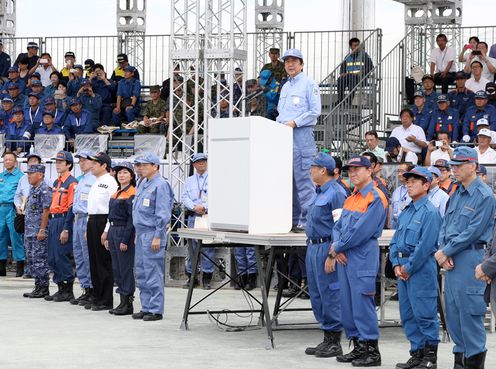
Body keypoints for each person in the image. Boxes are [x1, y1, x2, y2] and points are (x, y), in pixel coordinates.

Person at [436, 146, 494, 369]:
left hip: (471, 260)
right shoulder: (456, 192)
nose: (455, 169)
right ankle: (459, 363)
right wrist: (444, 251)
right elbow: (445, 225)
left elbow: (473, 230)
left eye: (459, 165)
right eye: (453, 165)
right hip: (452, 261)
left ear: (473, 166)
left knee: (470, 317)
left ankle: (473, 363)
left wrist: (446, 251)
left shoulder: (484, 196)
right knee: (453, 316)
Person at [328, 156, 387, 367]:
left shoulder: (375, 197)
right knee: (348, 304)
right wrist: (337, 246)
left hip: (361, 256)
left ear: (369, 170)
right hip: (345, 256)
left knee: (362, 303)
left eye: (357, 170)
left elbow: (361, 231)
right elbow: (338, 226)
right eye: (349, 171)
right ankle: (358, 346)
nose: (352, 174)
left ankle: (372, 351)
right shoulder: (350, 198)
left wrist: (339, 247)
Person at [389, 167, 442, 369]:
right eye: (407, 181)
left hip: (420, 269)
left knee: (425, 313)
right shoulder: (406, 211)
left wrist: (408, 268)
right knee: (408, 314)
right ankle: (417, 353)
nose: (408, 185)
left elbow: (425, 246)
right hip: (403, 268)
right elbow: (395, 240)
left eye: (414, 181)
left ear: (426, 185)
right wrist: (395, 264)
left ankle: (430, 357)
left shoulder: (430, 212)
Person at [304, 153, 346, 358]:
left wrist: (333, 254)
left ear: (323, 170)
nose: (310, 170)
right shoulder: (319, 192)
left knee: (330, 292)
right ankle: (326, 336)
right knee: (317, 293)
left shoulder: (336, 192)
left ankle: (334, 340)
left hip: (326, 248)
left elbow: (340, 226)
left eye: (313, 166)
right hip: (313, 248)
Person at [276, 48, 321, 233]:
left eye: (294, 61)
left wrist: (295, 122)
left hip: (302, 138)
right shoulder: (285, 86)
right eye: (287, 61)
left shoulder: (309, 84)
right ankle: (293, 220)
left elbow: (315, 112)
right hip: (284, 139)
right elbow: (280, 113)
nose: (290, 64)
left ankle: (307, 220)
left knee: (304, 181)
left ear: (301, 64)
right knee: (289, 182)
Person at [132, 153, 174, 321]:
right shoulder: (143, 182)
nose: (140, 168)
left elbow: (163, 213)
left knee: (153, 271)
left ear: (155, 166)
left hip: (152, 233)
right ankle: (146, 306)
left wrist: (158, 235)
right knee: (141, 271)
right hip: (141, 233)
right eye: (139, 165)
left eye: (144, 165)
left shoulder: (161, 185)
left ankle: (156, 309)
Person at [101, 162, 136, 316]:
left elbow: (131, 220)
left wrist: (125, 240)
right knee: (117, 268)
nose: (121, 175)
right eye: (119, 173)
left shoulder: (132, 193)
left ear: (131, 176)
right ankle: (121, 301)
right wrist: (108, 234)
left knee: (125, 268)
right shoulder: (116, 192)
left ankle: (127, 302)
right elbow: (110, 217)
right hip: (114, 229)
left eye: (125, 173)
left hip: (123, 231)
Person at [85, 152, 118, 311]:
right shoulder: (96, 181)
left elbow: (111, 208)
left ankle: (106, 299)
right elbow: (91, 207)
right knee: (94, 261)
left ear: (104, 165)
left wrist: (106, 230)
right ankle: (96, 296)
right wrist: (87, 225)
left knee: (103, 261)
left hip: (103, 221)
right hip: (93, 221)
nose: (91, 165)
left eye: (95, 163)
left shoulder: (111, 181)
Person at [45, 151, 78, 302]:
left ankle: (68, 289)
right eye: (57, 161)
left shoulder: (72, 182)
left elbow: (71, 207)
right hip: (54, 220)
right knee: (52, 256)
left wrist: (66, 228)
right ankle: (59, 287)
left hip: (63, 220)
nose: (58, 164)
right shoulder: (56, 182)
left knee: (61, 255)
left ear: (69, 164)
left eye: (61, 162)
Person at [65, 151, 96, 306]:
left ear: (92, 162)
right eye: (80, 160)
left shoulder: (95, 180)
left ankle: (92, 288)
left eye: (84, 160)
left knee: (88, 255)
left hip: (86, 219)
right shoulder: (81, 180)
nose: (81, 163)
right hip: (77, 219)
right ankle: (85, 288)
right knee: (79, 256)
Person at [181, 153, 215, 289]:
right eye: (198, 162)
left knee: (207, 247)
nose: (201, 164)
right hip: (194, 216)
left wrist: (204, 207)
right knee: (192, 248)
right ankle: (192, 276)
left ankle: (207, 277)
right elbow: (184, 197)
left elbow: (216, 196)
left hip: (207, 216)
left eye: (203, 161)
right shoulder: (189, 180)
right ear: (194, 165)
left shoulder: (213, 178)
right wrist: (194, 207)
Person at [21, 164, 52, 298]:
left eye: (31, 174)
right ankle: (38, 286)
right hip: (30, 230)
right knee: (32, 259)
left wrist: (42, 229)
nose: (29, 176)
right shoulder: (33, 189)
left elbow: (46, 210)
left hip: (38, 231)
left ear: (40, 175)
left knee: (40, 260)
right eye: (28, 174)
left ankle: (43, 287)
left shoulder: (44, 189)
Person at [0, 152, 24, 277]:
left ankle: (20, 266)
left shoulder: (21, 177)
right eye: (6, 159)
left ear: (15, 162)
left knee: (16, 237)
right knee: (0, 237)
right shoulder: (1, 176)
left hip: (13, 209)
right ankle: (1, 267)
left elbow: (23, 194)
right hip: (1, 209)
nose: (8, 161)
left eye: (10, 159)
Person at [336, 37, 373, 103]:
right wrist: (342, 73)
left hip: (361, 79)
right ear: (351, 46)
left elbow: (370, 67)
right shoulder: (347, 56)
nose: (357, 47)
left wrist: (361, 73)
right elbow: (342, 68)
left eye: (358, 45)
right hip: (349, 78)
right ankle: (341, 100)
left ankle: (349, 100)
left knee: (352, 78)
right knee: (340, 79)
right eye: (355, 45)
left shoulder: (364, 55)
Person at [390, 163, 414, 229]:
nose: (399, 174)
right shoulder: (396, 191)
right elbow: (393, 213)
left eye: (402, 171)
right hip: (395, 229)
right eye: (398, 171)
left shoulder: (415, 190)